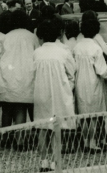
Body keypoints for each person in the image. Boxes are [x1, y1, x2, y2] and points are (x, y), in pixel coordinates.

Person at [33, 17, 76, 172]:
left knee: (42, 127)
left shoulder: (37, 53)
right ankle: (54, 161)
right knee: (57, 129)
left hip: (41, 93)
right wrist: (66, 89)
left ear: (41, 36)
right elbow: (72, 74)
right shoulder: (63, 52)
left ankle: (43, 161)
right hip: (59, 93)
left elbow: (32, 75)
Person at [0, 10, 39, 130]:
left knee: (6, 108)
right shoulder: (32, 37)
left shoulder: (6, 37)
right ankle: (20, 139)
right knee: (21, 107)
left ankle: (5, 136)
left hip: (7, 75)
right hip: (26, 75)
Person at [73, 16, 107, 151]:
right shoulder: (96, 48)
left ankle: (85, 141)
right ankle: (92, 142)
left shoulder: (77, 47)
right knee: (94, 115)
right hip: (94, 84)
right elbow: (102, 70)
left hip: (80, 83)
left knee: (84, 115)